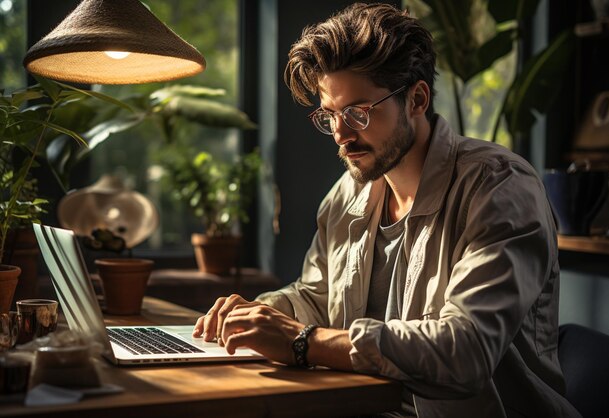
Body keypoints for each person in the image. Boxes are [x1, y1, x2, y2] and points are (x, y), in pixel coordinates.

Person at [193, 3, 581, 417]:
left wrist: (301, 341)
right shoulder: (347, 194)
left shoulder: (499, 187)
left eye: (358, 112)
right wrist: (261, 314)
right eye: (330, 115)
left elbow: (465, 350)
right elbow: (316, 296)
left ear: (416, 98)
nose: (341, 134)